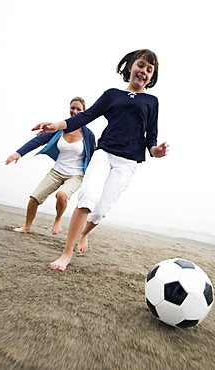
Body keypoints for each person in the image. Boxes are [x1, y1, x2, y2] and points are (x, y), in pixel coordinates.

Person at [33, 49, 169, 271]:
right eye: (141, 65)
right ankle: (67, 253)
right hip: (104, 152)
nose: (143, 71)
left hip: (128, 162)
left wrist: (155, 150)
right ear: (130, 67)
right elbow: (86, 116)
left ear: (152, 77)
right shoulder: (112, 94)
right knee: (88, 197)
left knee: (100, 210)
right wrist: (56, 125)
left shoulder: (152, 101)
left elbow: (150, 136)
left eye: (149, 69)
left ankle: (84, 233)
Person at [5, 97, 96, 234]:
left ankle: (58, 219)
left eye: (78, 109)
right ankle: (27, 226)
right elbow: (37, 141)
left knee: (61, 195)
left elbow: (94, 157)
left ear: (83, 112)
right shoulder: (60, 129)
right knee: (34, 198)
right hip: (56, 172)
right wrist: (18, 153)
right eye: (72, 108)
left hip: (76, 175)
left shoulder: (88, 135)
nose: (74, 111)